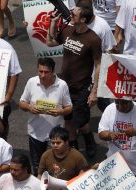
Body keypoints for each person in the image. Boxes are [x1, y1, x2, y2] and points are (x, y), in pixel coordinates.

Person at [46, 3, 102, 157]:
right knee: (68, 121)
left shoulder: (93, 39)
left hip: (82, 88)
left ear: (83, 19)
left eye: (74, 13)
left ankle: (88, 140)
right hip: (65, 86)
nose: (71, 14)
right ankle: (73, 151)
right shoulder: (68, 30)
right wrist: (52, 22)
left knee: (81, 122)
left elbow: (98, 65)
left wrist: (94, 92)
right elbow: (50, 42)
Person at [19, 57, 72, 176]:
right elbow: (22, 102)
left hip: (55, 137)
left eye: (46, 72)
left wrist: (60, 112)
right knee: (38, 168)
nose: (42, 75)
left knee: (56, 169)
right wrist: (29, 107)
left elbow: (69, 107)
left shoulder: (62, 85)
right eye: (40, 71)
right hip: (35, 133)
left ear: (53, 72)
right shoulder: (32, 82)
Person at [98, 99, 136, 175]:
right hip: (113, 163)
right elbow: (101, 133)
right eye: (117, 103)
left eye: (124, 103)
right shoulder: (110, 109)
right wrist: (109, 135)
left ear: (131, 100)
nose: (120, 107)